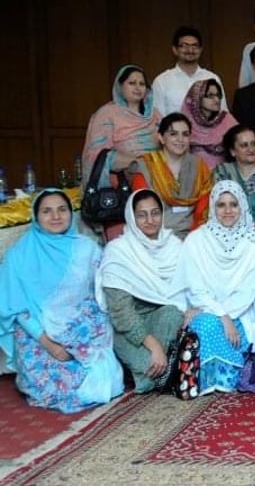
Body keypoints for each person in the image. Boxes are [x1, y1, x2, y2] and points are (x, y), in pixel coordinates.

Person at [0, 189, 123, 413]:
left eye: (62, 209)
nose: (56, 216)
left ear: (70, 213)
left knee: (108, 383)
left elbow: (101, 292)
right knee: (57, 389)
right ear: (36, 216)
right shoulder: (19, 255)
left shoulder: (86, 248)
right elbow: (17, 309)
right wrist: (51, 345)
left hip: (82, 331)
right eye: (47, 211)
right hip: (39, 334)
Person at [178, 180, 255, 395]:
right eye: (221, 204)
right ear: (212, 207)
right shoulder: (196, 240)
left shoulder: (254, 242)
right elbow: (196, 288)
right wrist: (222, 315)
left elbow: (248, 290)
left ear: (242, 206)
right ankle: (210, 381)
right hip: (208, 310)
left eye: (233, 204)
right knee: (207, 325)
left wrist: (227, 315)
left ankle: (227, 379)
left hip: (241, 312)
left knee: (228, 328)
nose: (227, 211)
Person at [97, 189, 185, 393]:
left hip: (166, 323)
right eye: (141, 215)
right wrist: (154, 346)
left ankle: (158, 371)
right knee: (151, 368)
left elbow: (184, 292)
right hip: (128, 331)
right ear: (131, 216)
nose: (150, 220)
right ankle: (162, 367)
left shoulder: (174, 246)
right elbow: (121, 313)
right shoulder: (119, 251)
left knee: (172, 312)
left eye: (155, 213)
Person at [129, 113, 212, 239]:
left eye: (185, 134)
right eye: (173, 134)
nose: (180, 139)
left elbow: (204, 206)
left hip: (194, 235)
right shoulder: (146, 166)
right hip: (155, 235)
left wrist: (194, 237)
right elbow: (142, 207)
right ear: (161, 138)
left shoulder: (199, 166)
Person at [83, 64, 162, 189]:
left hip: (158, 176)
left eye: (142, 84)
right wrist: (137, 163)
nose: (137, 87)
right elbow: (98, 156)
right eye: (132, 83)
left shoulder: (155, 115)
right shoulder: (107, 114)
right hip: (121, 181)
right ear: (120, 86)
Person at [212, 125, 255, 232]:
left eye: (254, 144)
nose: (251, 149)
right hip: (225, 232)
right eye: (244, 145)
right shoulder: (222, 172)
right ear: (232, 151)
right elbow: (214, 208)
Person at [151, 26, 226, 116]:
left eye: (195, 46)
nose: (190, 50)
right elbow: (157, 119)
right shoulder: (162, 81)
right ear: (175, 50)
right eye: (184, 46)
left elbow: (223, 114)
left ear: (200, 50)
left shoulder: (212, 78)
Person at [180, 79, 239, 169]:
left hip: (223, 176)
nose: (216, 100)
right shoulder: (185, 124)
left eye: (218, 96)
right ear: (197, 97)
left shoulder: (227, 121)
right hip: (194, 176)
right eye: (210, 96)